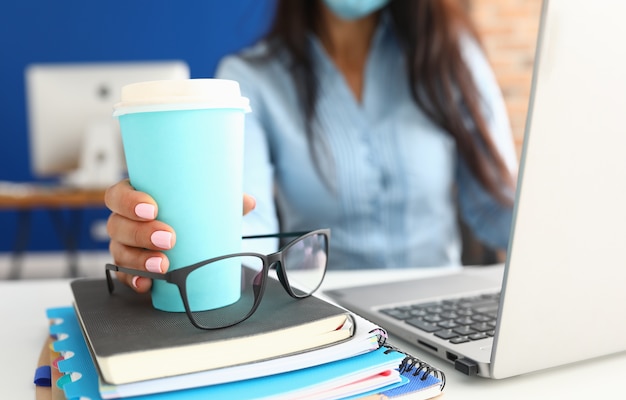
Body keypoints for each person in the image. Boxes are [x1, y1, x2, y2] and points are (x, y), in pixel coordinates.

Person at [105, 0, 518, 293]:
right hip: (328, 316)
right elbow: (247, 233)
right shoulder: (252, 79)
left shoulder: (450, 55)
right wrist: (177, 240)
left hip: (443, 306)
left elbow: (498, 208)